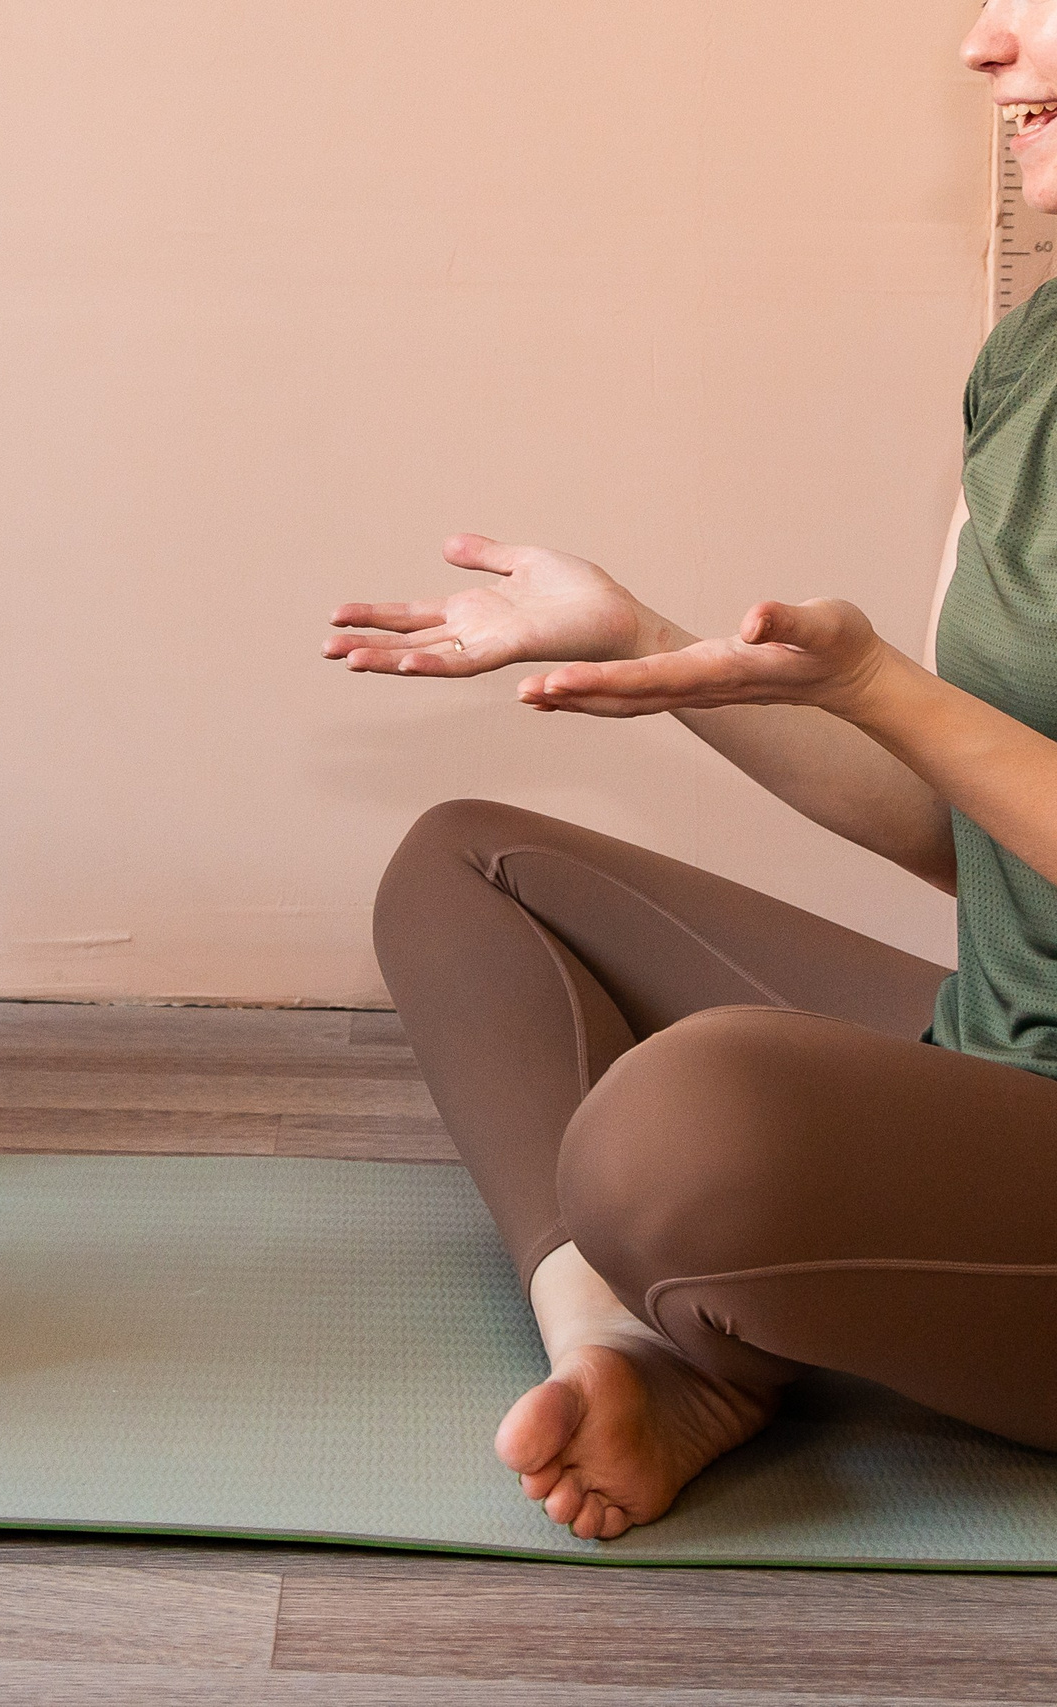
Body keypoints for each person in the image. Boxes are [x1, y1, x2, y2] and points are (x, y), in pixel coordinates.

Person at [320, 3, 1057, 1545]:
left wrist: (875, 685)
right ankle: (633, 1341)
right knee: (465, 864)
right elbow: (968, 840)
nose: (986, 44)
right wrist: (643, 645)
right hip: (995, 1058)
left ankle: (726, 1297)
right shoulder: (1030, 360)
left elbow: (927, 731)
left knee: (679, 1132)